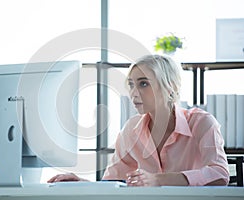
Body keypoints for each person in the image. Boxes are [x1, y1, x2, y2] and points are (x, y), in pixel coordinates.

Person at [48, 54, 230, 186]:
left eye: (143, 83)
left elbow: (219, 174)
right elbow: (113, 183)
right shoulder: (131, 129)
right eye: (131, 85)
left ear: (170, 87)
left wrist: (158, 180)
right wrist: (81, 184)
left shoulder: (202, 123)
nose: (134, 93)